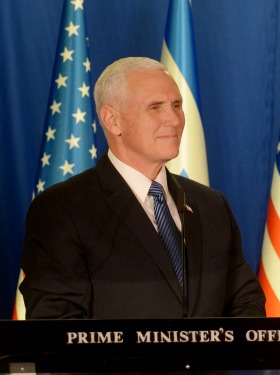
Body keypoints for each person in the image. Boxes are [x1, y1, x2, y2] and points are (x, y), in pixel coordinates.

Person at [20, 57, 266, 319]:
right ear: (112, 120)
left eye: (176, 105)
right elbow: (58, 329)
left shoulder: (211, 205)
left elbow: (245, 304)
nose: (174, 119)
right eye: (155, 107)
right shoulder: (62, 210)